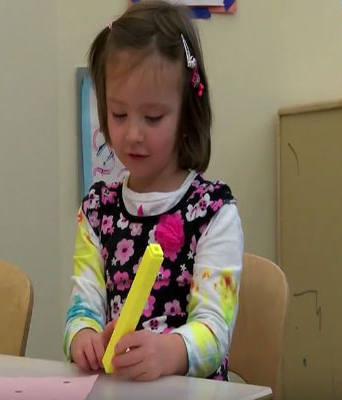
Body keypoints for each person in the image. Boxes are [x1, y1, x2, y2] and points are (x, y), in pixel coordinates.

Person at [63, 0, 243, 382]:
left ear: (186, 113)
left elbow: (214, 329)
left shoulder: (213, 210)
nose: (132, 133)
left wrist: (171, 352)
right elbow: (83, 305)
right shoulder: (97, 210)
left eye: (153, 117)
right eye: (118, 113)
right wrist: (83, 335)